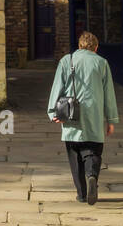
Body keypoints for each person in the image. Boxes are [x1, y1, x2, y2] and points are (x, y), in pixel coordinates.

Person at [48, 31, 119, 204]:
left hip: (71, 115)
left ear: (79, 46)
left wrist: (53, 112)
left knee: (75, 155)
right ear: (96, 47)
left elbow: (57, 86)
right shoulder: (102, 63)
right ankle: (92, 175)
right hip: (94, 116)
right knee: (93, 151)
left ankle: (81, 194)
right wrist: (111, 119)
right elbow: (109, 94)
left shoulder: (67, 60)